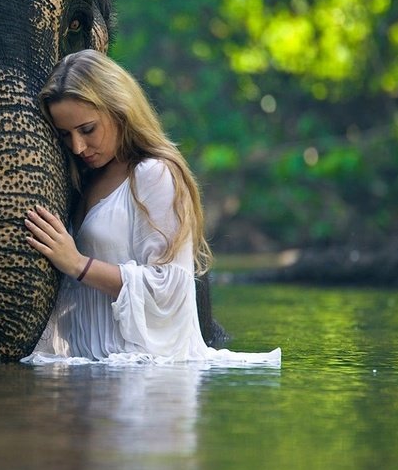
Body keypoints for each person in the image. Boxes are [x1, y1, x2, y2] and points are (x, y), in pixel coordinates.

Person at [23, 49, 280, 366]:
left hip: (147, 379)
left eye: (88, 130)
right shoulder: (82, 180)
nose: (77, 146)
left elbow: (170, 285)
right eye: (65, 135)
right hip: (87, 371)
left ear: (120, 111)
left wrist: (77, 264)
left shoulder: (153, 174)